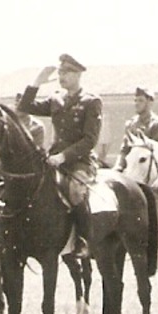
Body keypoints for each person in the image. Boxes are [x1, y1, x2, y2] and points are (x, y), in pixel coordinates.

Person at [17, 54, 103, 257]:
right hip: (53, 160)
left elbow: (89, 140)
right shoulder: (56, 99)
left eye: (67, 72)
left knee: (74, 190)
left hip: (79, 161)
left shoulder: (91, 101)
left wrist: (63, 156)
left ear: (78, 74)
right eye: (61, 72)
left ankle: (83, 240)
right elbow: (25, 107)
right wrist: (37, 81)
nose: (62, 76)